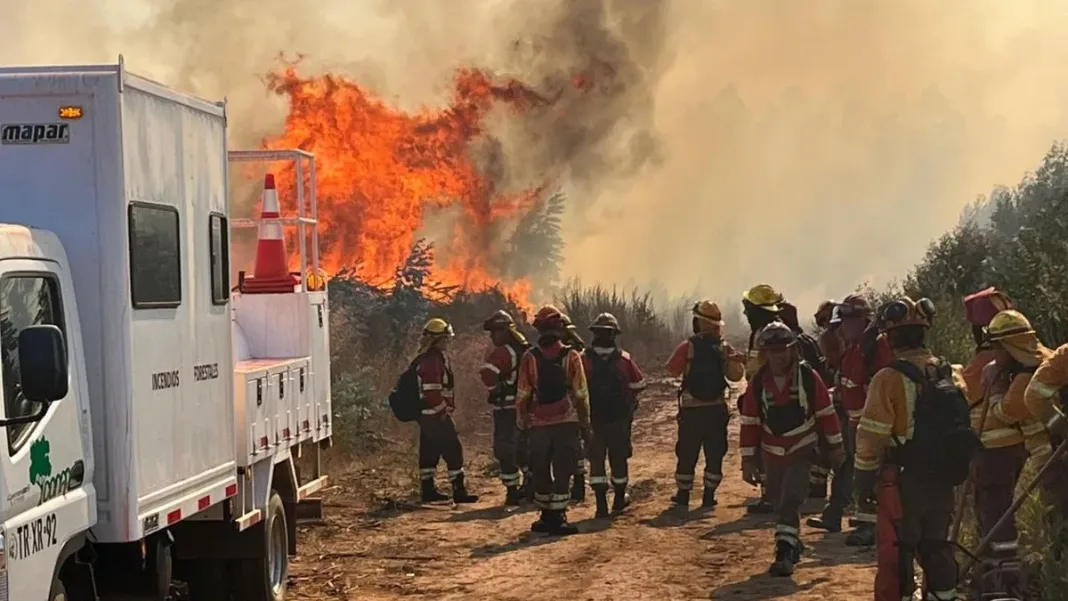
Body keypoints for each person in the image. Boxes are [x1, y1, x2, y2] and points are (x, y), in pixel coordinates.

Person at [854, 296, 975, 601]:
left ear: (890, 337)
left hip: (904, 482)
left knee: (899, 551)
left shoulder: (888, 378)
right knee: (937, 546)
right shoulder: (951, 373)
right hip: (945, 481)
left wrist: (864, 480)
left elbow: (871, 436)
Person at [739, 322, 845, 577]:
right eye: (773, 351)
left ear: (792, 350)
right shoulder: (758, 384)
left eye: (783, 349)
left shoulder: (808, 378)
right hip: (771, 453)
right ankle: (793, 542)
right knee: (777, 500)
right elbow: (750, 422)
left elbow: (826, 414)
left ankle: (784, 551)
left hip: (802, 449)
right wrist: (748, 460)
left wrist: (836, 448)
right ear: (766, 353)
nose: (779, 356)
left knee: (791, 499)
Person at [969, 308, 1051, 598]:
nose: (993, 353)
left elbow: (1007, 411)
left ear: (1009, 346)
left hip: (1050, 459)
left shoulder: (1028, 375)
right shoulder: (1035, 363)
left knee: (1001, 515)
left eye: (996, 347)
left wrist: (995, 385)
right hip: (1040, 457)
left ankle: (1005, 583)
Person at [809, 295, 893, 541]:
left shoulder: (877, 347)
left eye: (850, 320)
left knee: (869, 474)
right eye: (843, 320)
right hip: (852, 420)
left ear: (863, 320)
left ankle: (869, 526)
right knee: (846, 467)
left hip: (870, 424)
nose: (844, 326)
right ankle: (834, 515)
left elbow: (881, 384)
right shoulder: (854, 348)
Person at [516, 305, 591, 536]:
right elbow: (581, 394)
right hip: (566, 422)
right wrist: (585, 424)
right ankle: (559, 516)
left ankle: (546, 516)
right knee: (563, 468)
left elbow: (523, 394)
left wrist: (523, 423)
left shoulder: (529, 357)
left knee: (540, 468)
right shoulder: (572, 356)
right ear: (560, 328)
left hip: (539, 422)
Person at [665, 300, 747, 508]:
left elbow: (672, 369)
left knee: (686, 452)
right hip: (717, 409)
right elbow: (736, 376)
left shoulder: (688, 345)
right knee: (715, 452)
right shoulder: (724, 347)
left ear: (698, 322)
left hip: (692, 411)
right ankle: (709, 496)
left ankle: (683, 494)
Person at [582, 313, 646, 517]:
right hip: (619, 419)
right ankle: (619, 498)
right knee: (619, 458)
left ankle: (601, 504)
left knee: (596, 460)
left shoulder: (583, 359)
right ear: (614, 335)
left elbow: (574, 388)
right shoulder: (624, 359)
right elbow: (639, 384)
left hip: (594, 420)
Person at [413, 318, 479, 504]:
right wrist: (443, 411)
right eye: (445, 339)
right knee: (453, 450)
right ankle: (459, 491)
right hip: (434, 415)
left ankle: (428, 491)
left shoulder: (424, 357)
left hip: (425, 416)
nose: (448, 342)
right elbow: (432, 391)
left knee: (429, 451)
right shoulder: (433, 359)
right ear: (437, 340)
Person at [780, 300, 834, 503]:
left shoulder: (790, 344)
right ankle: (817, 489)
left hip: (802, 406)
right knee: (821, 447)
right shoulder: (809, 340)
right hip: (819, 401)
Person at [479, 310, 533, 506]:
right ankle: (530, 484)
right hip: (524, 408)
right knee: (523, 448)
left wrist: (494, 388)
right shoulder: (524, 350)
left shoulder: (504, 352)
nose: (492, 336)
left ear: (505, 331)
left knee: (504, 448)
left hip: (506, 407)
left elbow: (487, 373)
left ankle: (512, 492)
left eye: (495, 332)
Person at [741, 283, 787, 514]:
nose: (745, 313)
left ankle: (771, 496)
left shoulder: (767, 333)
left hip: (768, 397)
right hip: (763, 394)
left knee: (767, 445)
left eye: (748, 308)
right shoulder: (767, 331)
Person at [560, 313, 589, 503]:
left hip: (564, 406)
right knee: (574, 445)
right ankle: (577, 483)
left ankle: (576, 483)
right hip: (572, 406)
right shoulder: (578, 353)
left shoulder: (572, 355)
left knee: (569, 445)